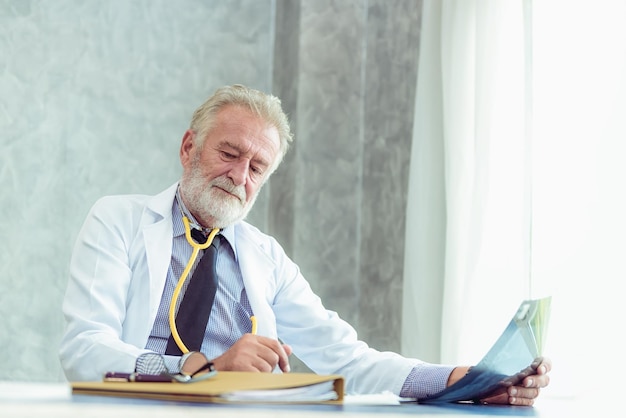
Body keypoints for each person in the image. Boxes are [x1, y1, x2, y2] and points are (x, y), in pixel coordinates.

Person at [59, 84, 551, 405]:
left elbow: (349, 361)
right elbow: (84, 349)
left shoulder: (265, 258)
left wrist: (465, 381)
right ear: (190, 147)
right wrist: (202, 367)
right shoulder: (118, 220)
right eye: (229, 154)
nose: (238, 176)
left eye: (256, 168)